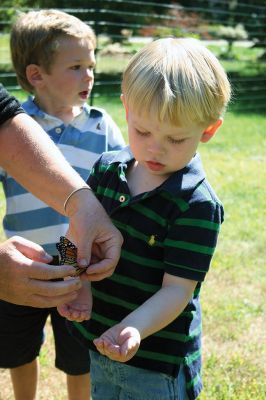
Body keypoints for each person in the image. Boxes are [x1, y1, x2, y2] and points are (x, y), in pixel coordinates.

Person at [60, 38, 231, 399]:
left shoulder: (195, 204)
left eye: (176, 138)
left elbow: (177, 290)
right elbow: (76, 235)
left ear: (208, 131)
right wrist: (78, 282)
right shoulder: (107, 169)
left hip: (155, 359)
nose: (155, 147)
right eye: (143, 131)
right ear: (126, 110)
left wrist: (134, 328)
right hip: (99, 339)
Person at [0, 9, 125, 400]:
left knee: (79, 352)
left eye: (91, 65)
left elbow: (124, 183)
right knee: (18, 349)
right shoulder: (16, 129)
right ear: (36, 75)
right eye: (76, 66)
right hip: (23, 264)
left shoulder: (101, 125)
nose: (89, 75)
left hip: (81, 265)